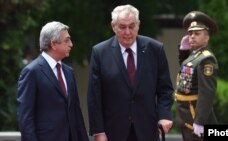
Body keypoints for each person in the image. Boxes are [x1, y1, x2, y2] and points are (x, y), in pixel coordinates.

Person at [87, 4, 174, 141]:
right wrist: (98, 131)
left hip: (147, 130)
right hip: (113, 132)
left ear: (138, 25)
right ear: (113, 26)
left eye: (131, 26)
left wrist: (164, 115)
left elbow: (165, 90)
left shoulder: (155, 50)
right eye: (122, 27)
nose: (127, 32)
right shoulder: (100, 53)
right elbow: (94, 97)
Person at [17, 21, 89, 141]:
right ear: (54, 44)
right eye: (67, 40)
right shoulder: (31, 72)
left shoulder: (69, 72)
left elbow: (76, 112)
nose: (71, 44)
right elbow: (25, 118)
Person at [175, 11, 219, 141]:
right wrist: (183, 50)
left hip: (196, 118)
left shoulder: (207, 59)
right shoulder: (195, 55)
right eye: (190, 33)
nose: (192, 37)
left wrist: (200, 121)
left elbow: (207, 92)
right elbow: (186, 69)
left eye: (197, 33)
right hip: (187, 116)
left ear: (207, 37)